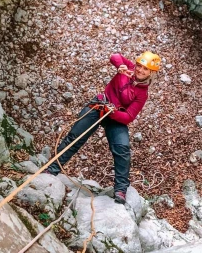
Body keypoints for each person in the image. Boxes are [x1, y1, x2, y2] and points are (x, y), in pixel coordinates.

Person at [45, 51, 161, 204]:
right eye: (139, 65)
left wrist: (112, 113)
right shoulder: (129, 67)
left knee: (122, 148)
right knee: (75, 137)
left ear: (151, 73)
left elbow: (129, 117)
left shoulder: (142, 94)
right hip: (99, 105)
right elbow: (115, 56)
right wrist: (120, 66)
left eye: (145, 69)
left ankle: (120, 189)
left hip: (115, 117)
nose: (139, 70)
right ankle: (52, 168)